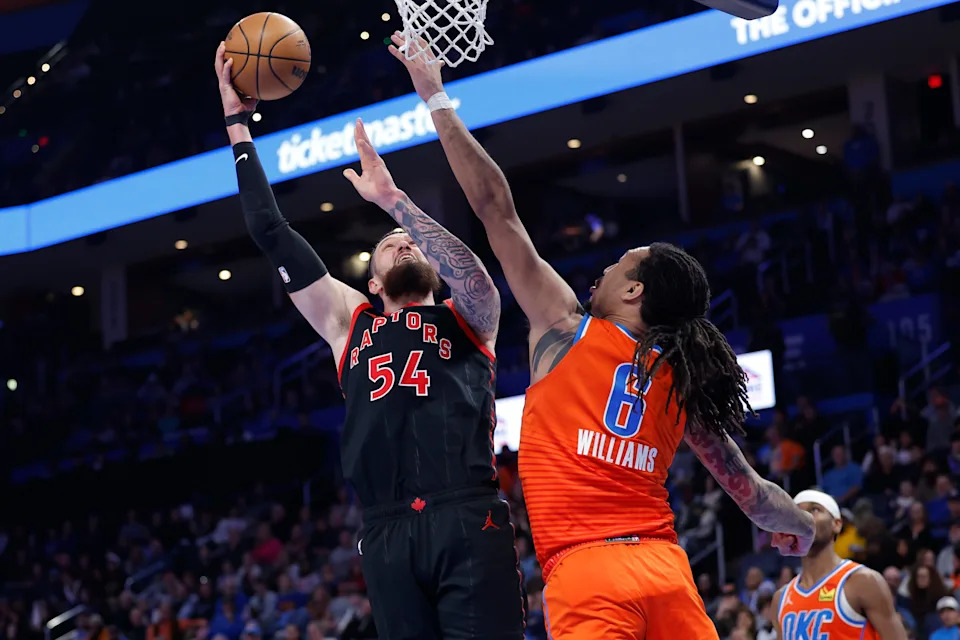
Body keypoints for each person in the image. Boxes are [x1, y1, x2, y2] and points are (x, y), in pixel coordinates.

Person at [384, 31, 814, 639]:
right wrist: (803, 524)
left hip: (588, 572)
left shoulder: (563, 326)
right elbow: (751, 492)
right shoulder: (681, 379)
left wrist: (435, 99)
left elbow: (495, 209)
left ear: (635, 292)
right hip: (666, 570)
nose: (606, 268)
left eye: (620, 265)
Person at [214, 43, 523, 640]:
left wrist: (395, 203)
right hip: (384, 529)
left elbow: (481, 280)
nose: (401, 242)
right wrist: (236, 125)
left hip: (466, 513)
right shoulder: (346, 321)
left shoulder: (469, 317)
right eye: (387, 244)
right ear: (372, 281)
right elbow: (269, 232)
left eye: (408, 239)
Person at [774, 490, 906, 640]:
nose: (804, 517)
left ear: (837, 524)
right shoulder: (780, 599)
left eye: (814, 509)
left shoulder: (863, 581)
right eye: (798, 512)